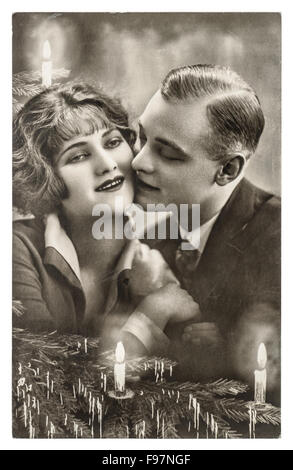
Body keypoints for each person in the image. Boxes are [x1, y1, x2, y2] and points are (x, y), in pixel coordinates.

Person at [12, 82, 199, 355]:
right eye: (79, 156)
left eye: (112, 143)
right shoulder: (18, 248)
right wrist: (152, 313)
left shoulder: (172, 245)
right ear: (45, 178)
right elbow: (40, 375)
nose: (108, 164)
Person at [132, 65, 280, 397]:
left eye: (168, 154)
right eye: (141, 138)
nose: (138, 162)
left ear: (228, 169)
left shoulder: (280, 240)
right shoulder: (151, 238)